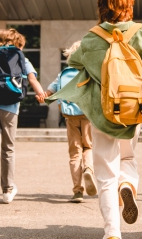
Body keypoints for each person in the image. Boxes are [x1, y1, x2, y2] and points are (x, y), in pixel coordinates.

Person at [46, 0, 142, 239]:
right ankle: (127, 184)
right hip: (134, 108)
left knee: (105, 170)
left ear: (101, 7)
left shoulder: (92, 37)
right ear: (129, 5)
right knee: (127, 157)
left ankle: (112, 231)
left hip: (102, 111)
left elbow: (73, 61)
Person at [0, 28, 46, 207]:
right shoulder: (23, 59)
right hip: (10, 109)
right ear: (19, 44)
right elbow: (32, 80)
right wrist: (41, 95)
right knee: (8, 149)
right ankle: (7, 190)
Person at [37, 41, 97, 203]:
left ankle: (78, 191)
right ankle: (89, 169)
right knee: (88, 146)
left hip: (70, 117)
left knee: (75, 152)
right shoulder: (89, 72)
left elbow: (49, 92)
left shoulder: (64, 73)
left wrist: (42, 96)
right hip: (87, 115)